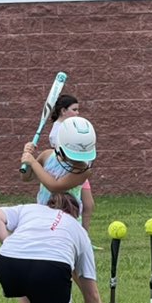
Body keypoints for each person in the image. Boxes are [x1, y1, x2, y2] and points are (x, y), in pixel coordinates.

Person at [20, 115, 97, 222]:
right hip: (43, 215)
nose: (78, 160)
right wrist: (27, 158)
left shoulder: (83, 170)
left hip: (68, 220)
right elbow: (26, 177)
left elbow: (55, 186)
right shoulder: (46, 156)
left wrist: (33, 162)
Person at [47, 95, 95, 232]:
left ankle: (84, 235)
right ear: (63, 111)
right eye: (74, 109)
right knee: (73, 205)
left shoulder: (72, 127)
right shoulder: (57, 130)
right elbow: (63, 155)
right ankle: (74, 232)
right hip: (69, 173)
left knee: (89, 205)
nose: (77, 113)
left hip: (80, 170)